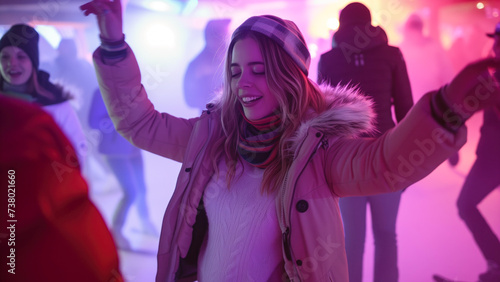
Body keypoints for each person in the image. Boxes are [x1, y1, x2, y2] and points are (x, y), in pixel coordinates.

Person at [80, 0, 500, 281]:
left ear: (289, 77)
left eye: (260, 70)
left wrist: (444, 112)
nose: (244, 83)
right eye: (236, 69)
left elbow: (384, 165)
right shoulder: (211, 138)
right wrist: (113, 45)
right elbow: (140, 124)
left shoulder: (316, 152)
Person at [317, 3, 413, 282]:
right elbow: (407, 111)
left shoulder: (329, 59)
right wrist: (410, 164)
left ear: (341, 26)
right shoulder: (392, 55)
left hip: (347, 161)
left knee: (352, 241)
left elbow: (323, 121)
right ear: (371, 24)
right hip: (387, 155)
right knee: (386, 235)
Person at [0, 95, 123, 282]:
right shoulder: (25, 121)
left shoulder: (25, 122)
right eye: (6, 62)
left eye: (20, 61)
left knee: (137, 192)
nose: (13, 65)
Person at [0, 24, 87, 165]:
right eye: (5, 57)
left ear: (33, 62)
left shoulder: (55, 104)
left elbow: (77, 149)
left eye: (21, 57)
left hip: (44, 183)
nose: (12, 63)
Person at [455, 22, 500, 282]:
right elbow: (465, 106)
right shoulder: (490, 73)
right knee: (465, 204)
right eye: (495, 41)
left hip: (492, 156)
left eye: (498, 41)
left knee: (465, 204)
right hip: (490, 156)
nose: (494, 46)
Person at [89, 87, 159, 249]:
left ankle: (144, 221)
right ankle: (116, 230)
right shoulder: (101, 92)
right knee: (130, 192)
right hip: (113, 150)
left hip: (133, 146)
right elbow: (93, 121)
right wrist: (117, 119)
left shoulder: (133, 88)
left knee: (141, 187)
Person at [399, 13, 454, 102]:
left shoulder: (434, 48)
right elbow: (447, 73)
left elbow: (447, 73)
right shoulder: (402, 49)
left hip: (429, 100)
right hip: (429, 100)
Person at [183, 18, 231, 113]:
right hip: (212, 121)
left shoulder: (232, 58)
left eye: (226, 34)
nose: (226, 38)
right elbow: (190, 100)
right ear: (210, 37)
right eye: (222, 34)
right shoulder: (197, 65)